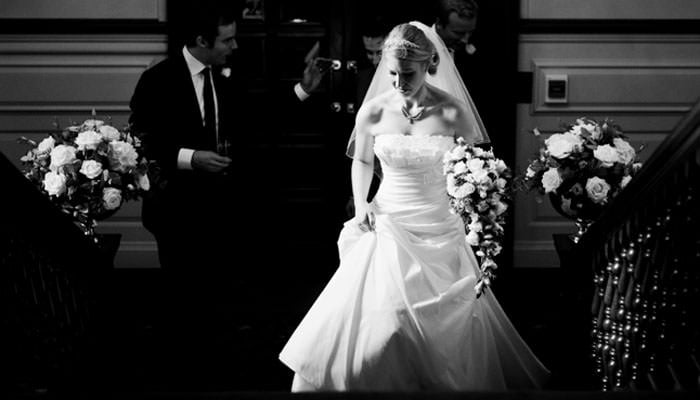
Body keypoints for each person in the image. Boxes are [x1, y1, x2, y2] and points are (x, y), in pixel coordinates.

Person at [279, 22, 549, 391]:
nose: (398, 82)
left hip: (440, 224)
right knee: (386, 321)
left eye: (408, 73)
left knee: (445, 327)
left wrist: (474, 199)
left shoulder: (452, 111)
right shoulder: (373, 111)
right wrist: (362, 206)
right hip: (387, 221)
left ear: (430, 65)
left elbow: (477, 164)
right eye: (391, 73)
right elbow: (362, 162)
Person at [129, 2, 327, 388]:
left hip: (223, 210)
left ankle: (219, 371)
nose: (234, 46)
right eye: (227, 39)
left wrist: (303, 89)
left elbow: (259, 115)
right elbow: (141, 140)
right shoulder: (158, 79)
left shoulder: (225, 79)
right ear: (202, 41)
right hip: (176, 210)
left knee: (219, 298)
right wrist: (190, 159)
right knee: (182, 299)